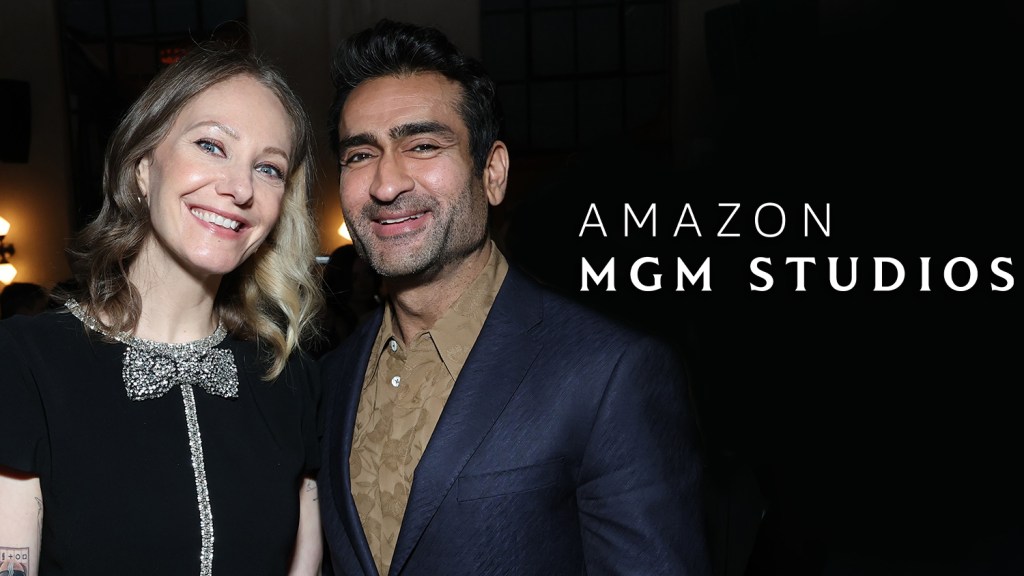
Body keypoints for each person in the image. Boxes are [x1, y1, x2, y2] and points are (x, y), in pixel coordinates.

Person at [317, 19, 711, 576]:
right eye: (360, 155)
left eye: (423, 146)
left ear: (493, 173)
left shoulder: (610, 373)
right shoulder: (329, 381)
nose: (385, 183)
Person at [0, 42, 324, 576]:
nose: (239, 187)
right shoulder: (26, 364)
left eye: (268, 168)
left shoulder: (291, 379)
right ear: (143, 168)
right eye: (211, 145)